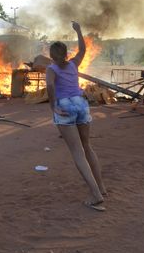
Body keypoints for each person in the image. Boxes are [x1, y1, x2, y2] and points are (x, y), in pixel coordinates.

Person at [46, 21, 107, 212]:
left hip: (65, 106)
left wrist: (53, 107)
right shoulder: (73, 63)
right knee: (87, 147)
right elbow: (82, 49)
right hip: (81, 104)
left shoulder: (51, 69)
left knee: (77, 152)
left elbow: (50, 86)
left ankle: (96, 195)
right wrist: (78, 31)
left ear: (51, 56)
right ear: (66, 54)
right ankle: (101, 187)